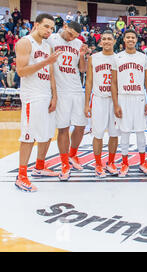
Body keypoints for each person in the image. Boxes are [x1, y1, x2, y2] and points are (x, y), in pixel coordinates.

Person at [14, 13, 63, 192]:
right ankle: (21, 176)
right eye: (46, 27)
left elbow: (51, 73)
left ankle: (40, 166)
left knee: (47, 133)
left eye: (51, 28)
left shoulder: (48, 46)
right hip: (32, 96)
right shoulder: (25, 42)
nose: (49, 31)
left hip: (46, 94)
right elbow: (21, 71)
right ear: (36, 25)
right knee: (28, 136)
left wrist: (54, 96)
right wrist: (47, 62)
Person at [47, 21, 87, 181]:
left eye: (75, 36)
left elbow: (82, 69)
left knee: (81, 125)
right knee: (63, 128)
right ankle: (64, 163)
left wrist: (83, 55)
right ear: (64, 27)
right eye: (70, 34)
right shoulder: (51, 39)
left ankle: (73, 155)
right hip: (61, 90)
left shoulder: (78, 43)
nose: (72, 38)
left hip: (76, 88)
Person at [111, 29, 147, 177]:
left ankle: (143, 162)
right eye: (127, 37)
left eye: (132, 37)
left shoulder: (143, 58)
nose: (130, 39)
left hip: (139, 97)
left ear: (136, 40)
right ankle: (124, 163)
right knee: (125, 132)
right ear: (124, 40)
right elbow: (113, 82)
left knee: (141, 131)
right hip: (123, 97)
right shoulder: (117, 57)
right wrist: (116, 104)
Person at [84, 30, 120, 177]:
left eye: (109, 39)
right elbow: (89, 82)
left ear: (114, 41)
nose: (106, 41)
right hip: (99, 99)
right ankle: (98, 164)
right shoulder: (94, 58)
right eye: (104, 39)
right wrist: (87, 104)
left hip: (115, 100)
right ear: (100, 42)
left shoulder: (119, 58)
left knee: (114, 133)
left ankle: (110, 162)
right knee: (97, 134)